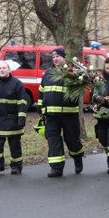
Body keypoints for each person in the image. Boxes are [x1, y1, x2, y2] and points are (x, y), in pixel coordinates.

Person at [37, 48, 85, 178]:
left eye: (58, 56)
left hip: (69, 115)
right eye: (53, 57)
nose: (55, 59)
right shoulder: (47, 74)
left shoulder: (73, 73)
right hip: (51, 116)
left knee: (72, 140)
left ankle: (77, 157)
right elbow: (42, 91)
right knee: (53, 140)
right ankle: (56, 168)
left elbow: (80, 91)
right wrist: (40, 107)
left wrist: (80, 76)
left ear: (64, 58)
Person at [0, 61, 28, 174]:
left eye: (4, 68)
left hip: (12, 120)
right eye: (0, 68)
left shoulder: (17, 84)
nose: (2, 70)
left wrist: (21, 119)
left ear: (9, 70)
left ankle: (16, 167)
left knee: (14, 146)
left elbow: (22, 103)